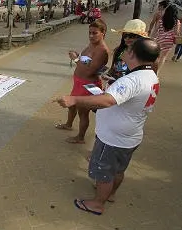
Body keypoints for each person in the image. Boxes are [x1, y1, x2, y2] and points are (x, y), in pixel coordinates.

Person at [55, 38, 160, 215]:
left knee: (104, 173)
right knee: (118, 169)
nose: (125, 51)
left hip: (113, 138)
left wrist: (74, 99)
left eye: (128, 49)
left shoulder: (132, 80)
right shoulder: (151, 75)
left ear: (133, 53)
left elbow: (107, 101)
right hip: (130, 135)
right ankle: (110, 194)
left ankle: (97, 203)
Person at [55, 19, 109, 144]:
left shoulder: (102, 50)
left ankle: (80, 137)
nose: (91, 36)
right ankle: (68, 124)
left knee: (83, 112)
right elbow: (87, 61)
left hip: (88, 85)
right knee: (72, 105)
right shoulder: (93, 44)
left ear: (103, 33)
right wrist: (78, 56)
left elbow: (90, 70)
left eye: (94, 33)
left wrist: (75, 60)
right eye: (89, 33)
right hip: (80, 82)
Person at [107, 19, 157, 85]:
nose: (127, 39)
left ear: (140, 38)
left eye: (131, 36)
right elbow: (113, 70)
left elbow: (149, 80)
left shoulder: (145, 57)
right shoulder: (119, 50)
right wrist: (107, 75)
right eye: (125, 35)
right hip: (113, 86)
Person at [153, 4, 180, 75]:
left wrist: (152, 39)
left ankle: (152, 69)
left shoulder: (161, 20)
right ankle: (157, 72)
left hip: (159, 40)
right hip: (169, 42)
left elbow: (155, 30)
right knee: (163, 57)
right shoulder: (177, 22)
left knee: (156, 56)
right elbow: (176, 33)